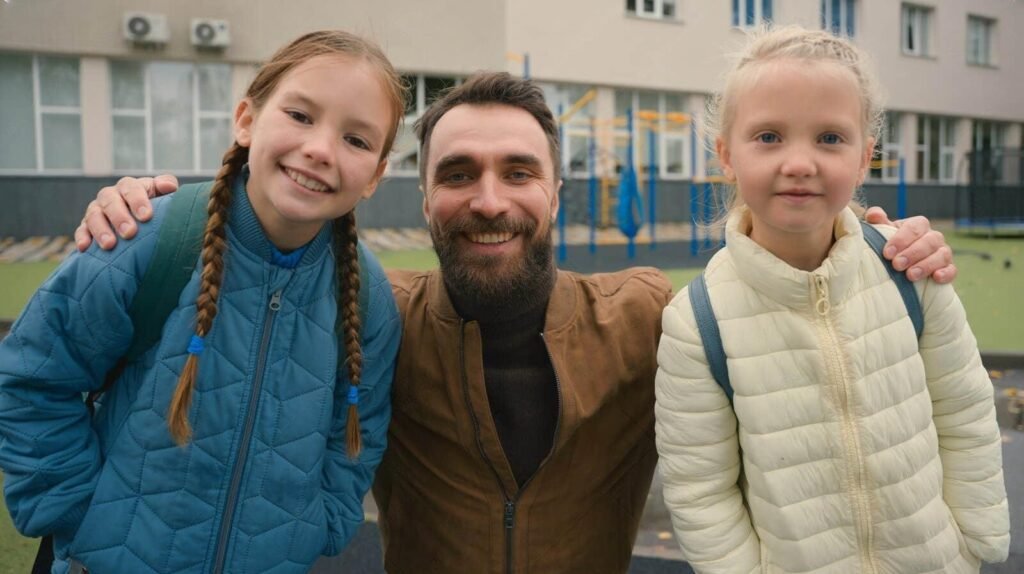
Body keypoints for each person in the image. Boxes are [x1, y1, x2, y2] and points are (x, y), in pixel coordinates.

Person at [75, 72, 957, 572]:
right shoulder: (371, 317)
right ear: (423, 197)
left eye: (518, 172)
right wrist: (140, 214)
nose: (489, 201)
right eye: (458, 174)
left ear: (556, 192)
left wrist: (870, 246)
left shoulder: (650, 319)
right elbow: (253, 270)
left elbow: (786, 307)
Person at [0, 30, 404, 574]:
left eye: (356, 139)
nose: (321, 149)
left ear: (376, 174)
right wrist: (80, 517)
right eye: (300, 115)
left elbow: (359, 434)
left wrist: (322, 523)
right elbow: (32, 378)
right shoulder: (149, 238)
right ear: (246, 120)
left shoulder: (368, 297)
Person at [655, 26, 1008, 574]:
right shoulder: (697, 322)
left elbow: (965, 413)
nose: (800, 162)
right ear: (726, 154)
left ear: (864, 158)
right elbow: (700, 489)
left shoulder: (909, 271)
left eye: (829, 138)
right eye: (769, 136)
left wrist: (972, 544)